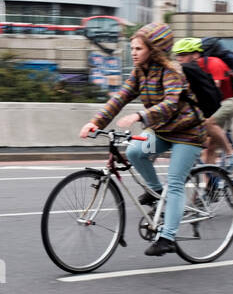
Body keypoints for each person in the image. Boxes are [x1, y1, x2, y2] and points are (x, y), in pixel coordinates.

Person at [78, 22, 207, 257]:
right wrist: (96, 122)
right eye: (132, 48)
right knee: (135, 151)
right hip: (161, 131)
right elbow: (120, 97)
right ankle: (157, 192)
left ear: (153, 50)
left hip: (187, 134)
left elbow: (170, 105)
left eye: (138, 48)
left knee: (176, 182)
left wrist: (140, 115)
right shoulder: (139, 72)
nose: (133, 52)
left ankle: (167, 238)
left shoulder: (172, 72)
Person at [171, 37, 233, 172]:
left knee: (209, 124)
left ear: (195, 55)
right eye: (177, 56)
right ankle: (209, 188)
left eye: (183, 55)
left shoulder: (213, 63)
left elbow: (213, 92)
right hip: (218, 103)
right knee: (209, 149)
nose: (179, 59)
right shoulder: (190, 70)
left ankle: (231, 153)